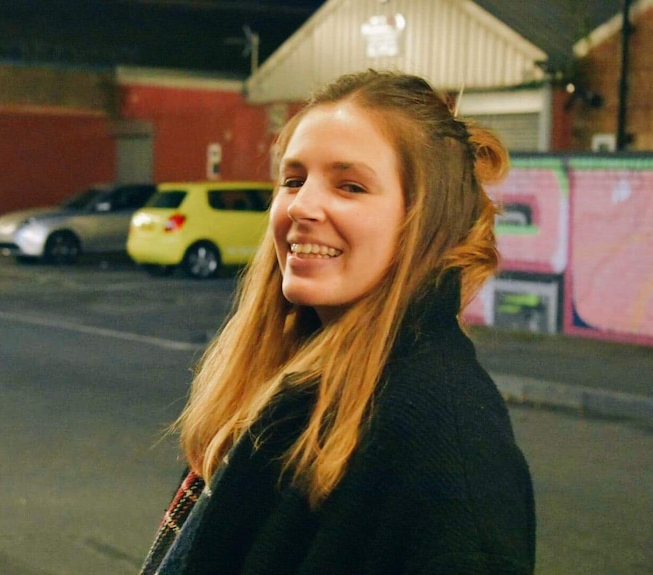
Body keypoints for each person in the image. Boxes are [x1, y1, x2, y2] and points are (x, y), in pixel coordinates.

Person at [139, 69, 536, 575]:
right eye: (293, 180)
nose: (302, 206)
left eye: (350, 186)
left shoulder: (446, 440)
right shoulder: (293, 379)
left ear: (428, 221)